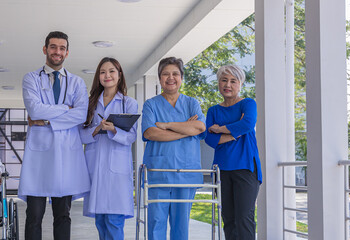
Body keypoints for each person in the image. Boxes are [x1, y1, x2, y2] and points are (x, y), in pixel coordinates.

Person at [19, 31, 90, 240]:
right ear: (45, 49)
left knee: (63, 215)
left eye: (61, 48)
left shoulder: (77, 82)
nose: (57, 52)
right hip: (38, 160)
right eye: (53, 47)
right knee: (34, 215)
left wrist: (47, 120)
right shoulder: (31, 78)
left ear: (67, 52)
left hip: (65, 157)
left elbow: (81, 114)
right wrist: (66, 109)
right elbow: (34, 110)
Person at [141, 57, 206, 240]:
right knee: (156, 224)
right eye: (165, 74)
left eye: (175, 73)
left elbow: (200, 127)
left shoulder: (191, 103)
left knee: (181, 226)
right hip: (158, 173)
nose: (171, 78)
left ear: (181, 77)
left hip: (186, 173)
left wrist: (167, 125)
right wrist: (186, 129)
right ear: (160, 78)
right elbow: (151, 133)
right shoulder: (151, 105)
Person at [79, 57, 138, 240]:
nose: (107, 75)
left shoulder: (128, 103)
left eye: (112, 71)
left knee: (114, 220)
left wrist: (113, 130)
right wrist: (97, 129)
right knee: (101, 221)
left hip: (117, 170)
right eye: (103, 72)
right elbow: (80, 135)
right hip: (95, 166)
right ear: (98, 76)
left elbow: (131, 136)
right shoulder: (89, 103)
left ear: (119, 75)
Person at [204, 65, 261, 240]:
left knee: (244, 218)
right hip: (221, 170)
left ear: (240, 84)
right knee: (228, 219)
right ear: (219, 83)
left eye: (233, 81)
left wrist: (221, 129)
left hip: (245, 168)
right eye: (224, 80)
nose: (227, 84)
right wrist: (235, 132)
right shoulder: (214, 110)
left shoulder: (247, 103)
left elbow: (248, 124)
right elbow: (209, 138)